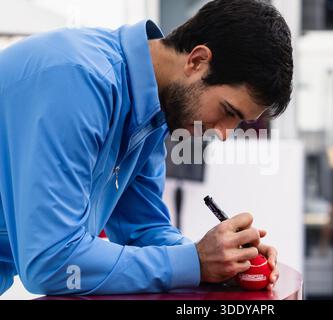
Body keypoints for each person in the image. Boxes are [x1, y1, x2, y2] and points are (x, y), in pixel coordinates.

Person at [0, 0, 293, 295]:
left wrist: (221, 259)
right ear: (197, 61)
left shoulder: (153, 111)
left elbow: (142, 229)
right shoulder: (79, 82)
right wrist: (196, 262)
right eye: (228, 111)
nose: (225, 133)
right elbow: (52, 263)